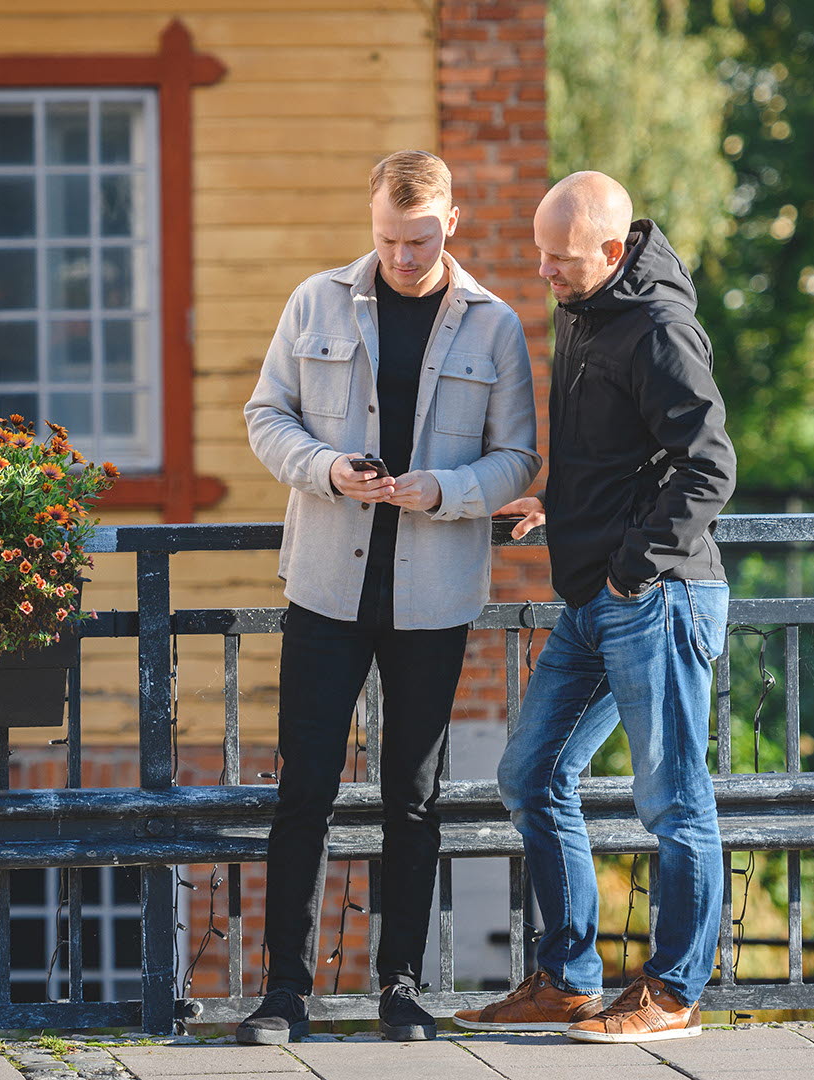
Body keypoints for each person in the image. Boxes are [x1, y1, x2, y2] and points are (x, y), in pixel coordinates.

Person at [241, 150, 541, 1044]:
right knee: (306, 793)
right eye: (387, 239)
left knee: (414, 799)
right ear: (370, 222)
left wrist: (444, 491)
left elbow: (520, 458)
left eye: (418, 239)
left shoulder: (496, 326)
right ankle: (283, 992)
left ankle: (400, 988)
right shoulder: (315, 301)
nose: (403, 257)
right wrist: (329, 469)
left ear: (451, 223)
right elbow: (267, 416)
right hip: (327, 587)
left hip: (434, 597)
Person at [453, 171, 735, 1044]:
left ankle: (674, 993)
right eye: (541, 253)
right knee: (530, 775)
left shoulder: (659, 329)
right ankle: (569, 980)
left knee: (675, 803)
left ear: (614, 252)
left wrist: (630, 571)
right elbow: (611, 453)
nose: (544, 272)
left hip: (659, 597)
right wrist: (557, 509)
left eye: (563, 260)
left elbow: (709, 467)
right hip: (594, 597)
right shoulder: (586, 307)